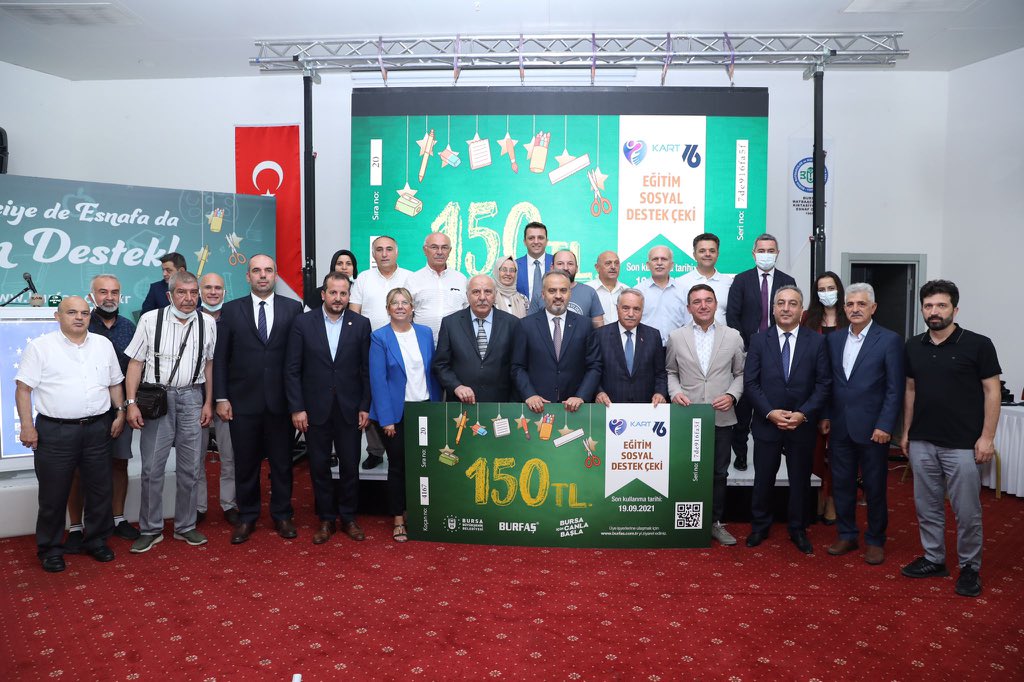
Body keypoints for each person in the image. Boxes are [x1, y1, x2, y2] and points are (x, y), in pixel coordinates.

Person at [900, 280, 1001, 598]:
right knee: (927, 506)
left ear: (955, 310)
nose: (934, 311)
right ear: (922, 310)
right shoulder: (913, 346)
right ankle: (934, 559)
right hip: (922, 441)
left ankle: (970, 567)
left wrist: (987, 437)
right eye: (928, 306)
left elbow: (992, 391)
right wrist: (906, 431)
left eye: (941, 305)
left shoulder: (978, 344)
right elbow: (910, 389)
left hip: (963, 444)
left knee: (967, 511)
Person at [15, 296, 125, 573]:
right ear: (58, 316)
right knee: (53, 495)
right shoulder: (40, 347)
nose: (79, 317)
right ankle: (50, 549)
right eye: (72, 312)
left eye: (84, 313)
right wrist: (27, 426)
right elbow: (23, 389)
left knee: (100, 490)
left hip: (98, 428)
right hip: (55, 431)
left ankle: (96, 540)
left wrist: (120, 412)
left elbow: (115, 383)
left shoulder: (103, 345)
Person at [214, 255, 303, 544]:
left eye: (268, 270)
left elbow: (298, 359)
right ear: (247, 276)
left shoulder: (293, 308)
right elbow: (221, 359)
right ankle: (248, 516)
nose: (262, 275)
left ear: (275, 275)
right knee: (246, 464)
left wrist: (298, 402)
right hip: (242, 402)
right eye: (256, 271)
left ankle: (282, 515)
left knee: (282, 463)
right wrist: (221, 397)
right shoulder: (230, 310)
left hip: (281, 402)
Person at [124, 271, 216, 553]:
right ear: (169, 295)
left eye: (193, 292)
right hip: (158, 399)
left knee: (191, 468)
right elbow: (135, 364)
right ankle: (150, 529)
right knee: (152, 468)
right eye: (181, 292)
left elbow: (209, 365)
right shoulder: (150, 320)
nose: (188, 298)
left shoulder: (208, 322)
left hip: (193, 397)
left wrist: (208, 402)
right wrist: (131, 403)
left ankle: (186, 526)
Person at [285, 272, 372, 545]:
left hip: (349, 409)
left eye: (343, 293)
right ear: (323, 294)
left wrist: (365, 406)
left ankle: (348, 517)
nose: (338, 298)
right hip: (314, 410)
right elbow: (292, 369)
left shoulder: (361, 324)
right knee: (319, 466)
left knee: (350, 467)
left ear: (349, 296)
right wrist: (297, 408)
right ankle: (325, 519)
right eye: (333, 292)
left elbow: (366, 370)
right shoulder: (303, 323)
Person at [743, 285, 830, 555]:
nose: (786, 308)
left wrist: (804, 413)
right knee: (763, 478)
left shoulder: (816, 342)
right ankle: (760, 526)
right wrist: (770, 412)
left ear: (801, 310)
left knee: (800, 480)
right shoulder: (759, 340)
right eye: (780, 303)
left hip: (801, 424)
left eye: (792, 303)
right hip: (767, 422)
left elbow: (823, 383)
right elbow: (750, 383)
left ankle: (798, 528)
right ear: (773, 308)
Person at [822, 283, 903, 566]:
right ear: (844, 308)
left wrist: (886, 425)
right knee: (842, 484)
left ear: (873, 307)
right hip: (840, 427)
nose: (855, 309)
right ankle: (847, 534)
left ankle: (875, 540)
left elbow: (895, 388)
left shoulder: (889, 340)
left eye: (861, 304)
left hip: (873, 429)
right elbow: (829, 383)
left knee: (874, 487)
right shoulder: (834, 340)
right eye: (850, 304)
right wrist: (826, 416)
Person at [61, 275, 139, 553]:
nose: (109, 297)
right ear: (91, 296)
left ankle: (118, 519)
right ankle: (75, 527)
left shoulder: (129, 327)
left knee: (119, 464)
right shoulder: (81, 323)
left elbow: (135, 368)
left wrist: (126, 408)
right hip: (84, 411)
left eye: (114, 292)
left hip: (119, 409)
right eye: (103, 292)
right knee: (77, 470)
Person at [665, 284, 746, 546]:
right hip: (686, 417)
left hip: (720, 416)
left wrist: (732, 395)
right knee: (684, 471)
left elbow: (741, 374)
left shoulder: (733, 336)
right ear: (688, 308)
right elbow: (671, 372)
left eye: (708, 300)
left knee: (718, 473)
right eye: (697, 301)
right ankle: (684, 523)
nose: (703, 305)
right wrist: (675, 392)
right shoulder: (676, 337)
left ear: (715, 304)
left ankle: (715, 522)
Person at [369, 287, 441, 543]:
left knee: (423, 465)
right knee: (398, 466)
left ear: (412, 308)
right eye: (395, 303)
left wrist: (436, 407)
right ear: (387, 308)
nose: (400, 307)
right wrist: (386, 419)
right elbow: (378, 380)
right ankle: (398, 518)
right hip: (395, 414)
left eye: (405, 302)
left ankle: (419, 514)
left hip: (425, 409)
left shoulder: (425, 333)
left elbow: (432, 372)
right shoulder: (379, 337)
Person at [726, 233, 797, 472]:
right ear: (753, 253)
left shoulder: (787, 280)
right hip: (748, 351)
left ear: (778, 253)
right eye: (762, 250)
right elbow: (733, 316)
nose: (766, 255)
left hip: (778, 351)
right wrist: (747, 346)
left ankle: (775, 450)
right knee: (744, 405)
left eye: (771, 251)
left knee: (772, 401)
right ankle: (741, 453)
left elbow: (791, 315)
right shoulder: (741, 280)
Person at [350, 235, 412, 470]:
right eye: (379, 249)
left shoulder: (410, 277)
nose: (384, 254)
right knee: (372, 394)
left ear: (396, 252)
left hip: (403, 346)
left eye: (388, 249)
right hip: (371, 347)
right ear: (373, 254)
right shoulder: (364, 279)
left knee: (399, 394)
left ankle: (405, 446)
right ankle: (375, 450)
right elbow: (354, 314)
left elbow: (413, 310)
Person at [512, 270, 602, 413]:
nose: (558, 296)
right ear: (543, 294)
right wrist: (530, 394)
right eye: (552, 291)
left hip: (575, 409)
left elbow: (594, 366)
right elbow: (517, 367)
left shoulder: (585, 325)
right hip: (537, 408)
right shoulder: (525, 325)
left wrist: (581, 396)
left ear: (570, 294)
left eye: (563, 290)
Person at [802, 271, 849, 526]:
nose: (827, 293)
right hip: (815, 392)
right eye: (821, 289)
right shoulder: (807, 319)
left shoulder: (849, 317)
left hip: (843, 393)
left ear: (839, 290)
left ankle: (832, 500)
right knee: (815, 451)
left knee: (840, 453)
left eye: (831, 288)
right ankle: (818, 496)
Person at [433, 274, 521, 403]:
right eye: (476, 292)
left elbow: (518, 366)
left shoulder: (512, 324)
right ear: (467, 295)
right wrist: (456, 386)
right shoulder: (450, 323)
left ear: (495, 295)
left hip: (500, 404)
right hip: (461, 404)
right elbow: (440, 365)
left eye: (488, 292)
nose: (482, 297)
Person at [196, 272, 240, 526]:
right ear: (200, 291)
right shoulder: (190, 319)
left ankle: (229, 504)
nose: (213, 292)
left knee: (229, 456)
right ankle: (198, 506)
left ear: (225, 292)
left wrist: (223, 398)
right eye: (208, 288)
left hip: (227, 400)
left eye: (218, 288)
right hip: (194, 399)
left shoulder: (234, 319)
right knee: (195, 458)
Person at [592, 288, 667, 406]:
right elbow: (593, 371)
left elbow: (660, 373)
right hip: (609, 406)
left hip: (646, 407)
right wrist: (598, 392)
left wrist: (660, 392)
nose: (631, 314)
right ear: (617, 309)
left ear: (642, 311)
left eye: (636, 309)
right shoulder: (600, 335)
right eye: (626, 308)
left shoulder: (653, 335)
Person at [407, 232, 468, 343]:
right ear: (425, 250)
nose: (440, 252)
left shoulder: (461, 279)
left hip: (455, 344)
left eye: (444, 247)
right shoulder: (413, 279)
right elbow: (406, 313)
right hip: (422, 343)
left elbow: (468, 312)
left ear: (450, 251)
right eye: (434, 247)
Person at [531, 250, 604, 328]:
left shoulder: (589, 292)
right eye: (560, 263)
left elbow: (598, 328)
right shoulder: (540, 293)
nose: (565, 268)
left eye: (570, 264)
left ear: (577, 268)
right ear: (552, 267)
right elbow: (530, 325)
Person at [677, 233, 732, 327]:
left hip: (722, 336)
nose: (707, 254)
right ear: (694, 255)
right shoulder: (680, 282)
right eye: (702, 251)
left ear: (717, 254)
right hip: (689, 335)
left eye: (712, 251)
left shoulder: (729, 282)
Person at [637, 245, 687, 346]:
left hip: (677, 347)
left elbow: (688, 323)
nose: (659, 263)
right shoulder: (638, 291)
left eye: (664, 259)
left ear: (671, 265)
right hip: (646, 347)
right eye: (655, 259)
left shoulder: (684, 291)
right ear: (648, 265)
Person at [515, 221, 554, 310]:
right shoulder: (515, 265)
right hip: (523, 315)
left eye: (540, 238)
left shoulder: (556, 263)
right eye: (531, 238)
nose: (536, 242)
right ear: (525, 242)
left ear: (547, 241)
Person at [587, 250, 626, 326]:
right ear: (597, 267)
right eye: (608, 263)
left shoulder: (627, 291)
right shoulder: (587, 290)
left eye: (616, 263)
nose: (613, 267)